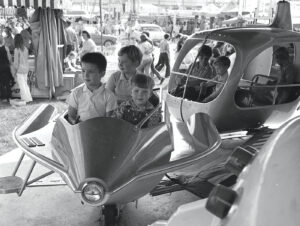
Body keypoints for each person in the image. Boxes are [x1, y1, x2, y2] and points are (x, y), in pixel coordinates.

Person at [66, 52, 117, 125]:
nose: (86, 75)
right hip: (80, 132)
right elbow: (70, 116)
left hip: (101, 132)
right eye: (83, 71)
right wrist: (74, 122)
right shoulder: (76, 93)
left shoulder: (109, 96)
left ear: (102, 73)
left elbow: (110, 121)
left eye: (91, 71)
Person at [14, 34, 32, 103]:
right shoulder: (25, 49)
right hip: (26, 68)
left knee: (22, 85)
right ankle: (29, 98)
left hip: (19, 69)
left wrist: (15, 71)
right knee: (25, 84)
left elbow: (16, 62)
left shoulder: (16, 50)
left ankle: (25, 99)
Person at [0, 36, 14, 102]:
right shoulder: (6, 48)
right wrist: (11, 63)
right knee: (7, 83)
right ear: (2, 41)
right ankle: (9, 97)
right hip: (6, 66)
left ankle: (4, 97)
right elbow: (9, 57)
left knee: (1, 83)